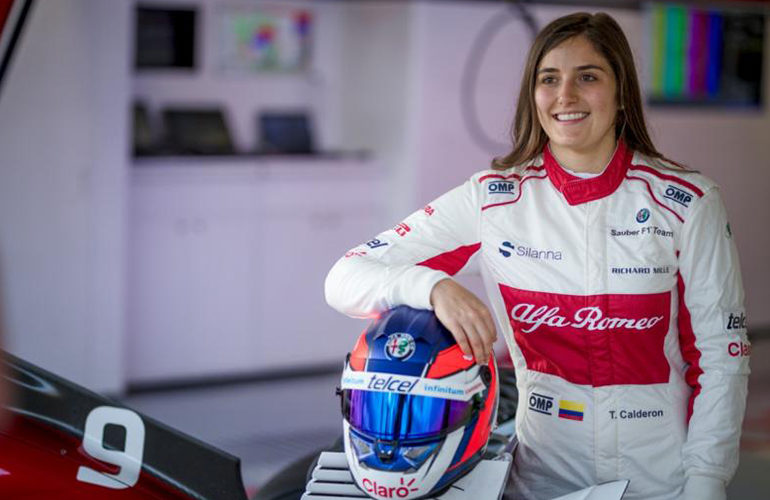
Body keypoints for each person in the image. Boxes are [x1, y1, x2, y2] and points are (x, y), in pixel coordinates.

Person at [325, 12, 749, 500]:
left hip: (660, 483)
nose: (565, 95)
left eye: (587, 77)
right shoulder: (493, 199)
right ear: (533, 94)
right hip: (539, 482)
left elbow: (721, 356)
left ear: (621, 94)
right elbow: (344, 277)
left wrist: (706, 481)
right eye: (549, 79)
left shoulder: (687, 202)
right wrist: (432, 287)